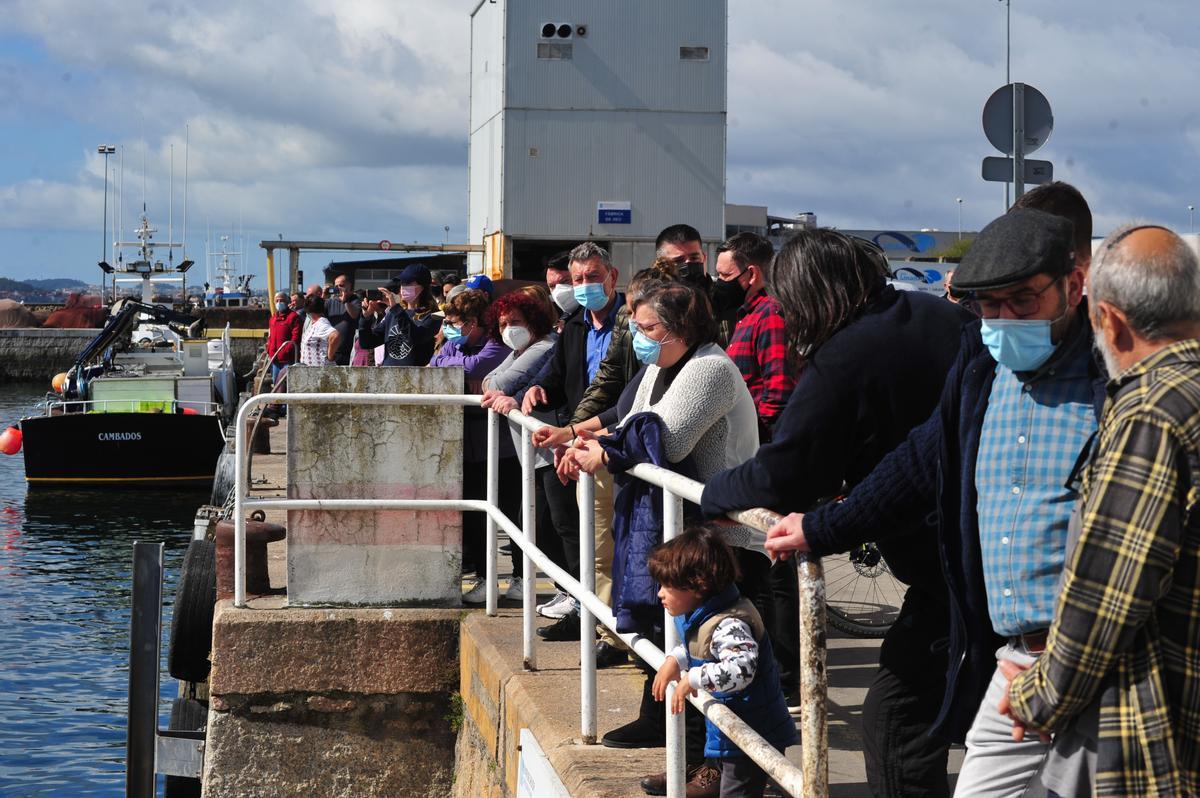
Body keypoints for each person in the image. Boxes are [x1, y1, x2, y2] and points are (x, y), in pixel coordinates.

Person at [762, 208, 1105, 798]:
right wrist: (821, 528)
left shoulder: (1117, 379)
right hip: (1016, 658)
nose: (1002, 320)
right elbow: (919, 464)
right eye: (986, 305)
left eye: (1022, 300)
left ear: (1074, 286)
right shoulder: (980, 367)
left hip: (1105, 664)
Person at [701, 229, 973, 796]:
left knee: (896, 722)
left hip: (949, 566)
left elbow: (789, 471)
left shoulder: (845, 356)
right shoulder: (934, 317)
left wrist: (711, 490)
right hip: (976, 543)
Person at [998, 224, 1200, 798]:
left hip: (1152, 733)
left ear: (1109, 321)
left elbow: (1105, 594)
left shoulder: (1151, 413)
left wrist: (1038, 696)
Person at [571, 282, 759, 796]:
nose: (639, 336)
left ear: (681, 329)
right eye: (637, 326)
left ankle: (715, 771)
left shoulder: (710, 369)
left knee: (712, 654)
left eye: (649, 328)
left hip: (725, 532)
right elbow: (633, 422)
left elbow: (668, 440)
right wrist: (586, 439)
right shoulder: (661, 366)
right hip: (691, 526)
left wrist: (605, 455)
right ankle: (686, 755)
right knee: (680, 645)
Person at [519, 241, 625, 642]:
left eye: (592, 278)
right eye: (578, 279)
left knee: (613, 546)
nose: (583, 286)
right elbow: (558, 374)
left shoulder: (631, 323)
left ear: (613, 277)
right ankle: (598, 621)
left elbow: (623, 388)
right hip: (585, 444)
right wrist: (536, 390)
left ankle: (614, 630)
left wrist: (575, 433)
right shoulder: (576, 323)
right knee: (594, 544)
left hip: (614, 441)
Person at [649, 527, 799, 798]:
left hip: (754, 727)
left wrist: (693, 678)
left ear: (698, 585)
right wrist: (676, 658)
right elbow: (703, 646)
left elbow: (741, 669)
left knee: (737, 792)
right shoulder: (707, 611)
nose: (660, 594)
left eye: (667, 586)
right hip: (736, 725)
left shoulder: (730, 622)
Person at [479, 290, 576, 607]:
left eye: (516, 321)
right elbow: (490, 382)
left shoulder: (544, 346)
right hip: (532, 457)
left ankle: (574, 595)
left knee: (558, 527)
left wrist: (497, 385)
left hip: (550, 454)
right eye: (504, 323)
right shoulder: (522, 350)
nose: (509, 329)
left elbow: (494, 385)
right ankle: (567, 591)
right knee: (537, 528)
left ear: (533, 321)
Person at [431, 289, 519, 603]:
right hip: (468, 449)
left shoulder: (497, 345)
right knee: (475, 517)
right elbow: (435, 366)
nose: (449, 331)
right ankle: (485, 578)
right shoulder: (455, 344)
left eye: (454, 324)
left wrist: (460, 367)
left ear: (472, 323)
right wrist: (459, 364)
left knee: (511, 515)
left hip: (502, 448)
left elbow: (475, 368)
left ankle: (519, 577)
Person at [358, 264, 442, 366]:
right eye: (402, 283)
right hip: (389, 375)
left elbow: (415, 337)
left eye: (408, 283)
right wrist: (366, 318)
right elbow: (367, 343)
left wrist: (395, 308)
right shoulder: (394, 313)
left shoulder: (435, 315)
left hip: (416, 377)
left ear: (422, 286)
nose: (403, 287)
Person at [265, 290, 303, 417]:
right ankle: (277, 409)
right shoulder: (273, 318)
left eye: (281, 300)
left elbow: (295, 338)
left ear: (287, 302)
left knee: (287, 385)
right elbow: (270, 337)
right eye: (276, 301)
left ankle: (286, 410)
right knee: (277, 384)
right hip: (275, 360)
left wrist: (285, 351)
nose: (279, 303)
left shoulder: (294, 317)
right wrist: (269, 351)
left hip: (288, 359)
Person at [298, 294, 338, 366]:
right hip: (312, 371)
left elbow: (335, 335)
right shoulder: (314, 323)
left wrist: (330, 356)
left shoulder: (321, 323)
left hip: (321, 372)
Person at [331, 293, 362, 366]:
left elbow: (354, 315)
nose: (339, 288)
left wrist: (345, 301)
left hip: (349, 352)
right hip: (333, 352)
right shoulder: (330, 301)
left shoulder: (355, 299)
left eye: (341, 285)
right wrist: (323, 296)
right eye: (336, 286)